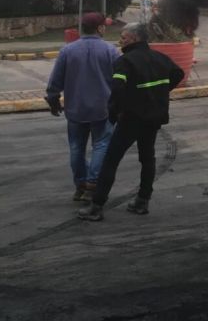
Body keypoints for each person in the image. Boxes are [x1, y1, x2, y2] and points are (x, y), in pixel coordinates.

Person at [77, 23, 185, 221]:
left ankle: (97, 206)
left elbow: (117, 90)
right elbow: (178, 73)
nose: (121, 40)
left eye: (124, 37)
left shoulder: (125, 62)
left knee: (111, 160)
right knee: (147, 158)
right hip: (153, 118)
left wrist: (114, 113)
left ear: (135, 39)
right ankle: (142, 202)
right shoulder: (160, 58)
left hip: (131, 119)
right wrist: (159, 93)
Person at [45, 12, 120, 202]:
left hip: (75, 109)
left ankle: (80, 184)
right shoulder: (110, 51)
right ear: (100, 28)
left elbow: (55, 82)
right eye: (104, 25)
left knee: (76, 148)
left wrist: (53, 100)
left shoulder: (67, 51)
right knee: (101, 145)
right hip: (102, 109)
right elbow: (119, 80)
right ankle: (92, 184)